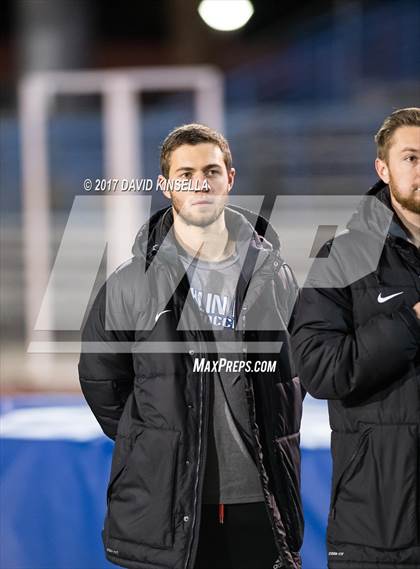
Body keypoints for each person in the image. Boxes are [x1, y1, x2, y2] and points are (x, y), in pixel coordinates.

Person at [79, 124, 304, 569]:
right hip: (169, 502)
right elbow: (101, 380)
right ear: (165, 186)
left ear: (229, 179)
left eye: (211, 170)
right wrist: (154, 438)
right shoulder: (130, 284)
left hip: (261, 499)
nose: (200, 182)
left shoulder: (273, 275)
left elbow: (294, 374)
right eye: (185, 174)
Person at [291, 107, 420, 569]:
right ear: (383, 170)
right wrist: (411, 323)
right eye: (412, 158)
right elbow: (319, 368)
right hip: (377, 529)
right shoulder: (343, 257)